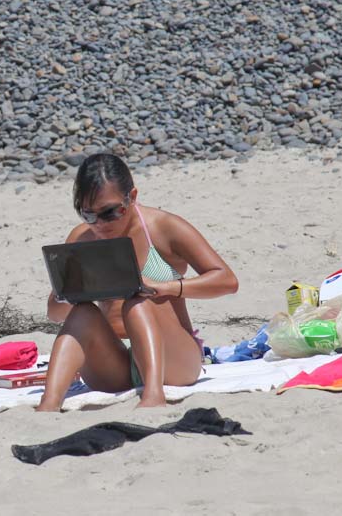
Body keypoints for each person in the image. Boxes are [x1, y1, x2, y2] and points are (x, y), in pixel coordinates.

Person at [36, 153, 238, 410]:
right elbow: (55, 314)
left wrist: (167, 288)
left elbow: (227, 280)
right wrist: (68, 292)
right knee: (82, 313)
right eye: (88, 215)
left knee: (137, 301)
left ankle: (153, 396)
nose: (99, 224)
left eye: (110, 213)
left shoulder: (163, 228)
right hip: (114, 364)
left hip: (173, 360)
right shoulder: (82, 239)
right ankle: (49, 403)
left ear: (131, 197)